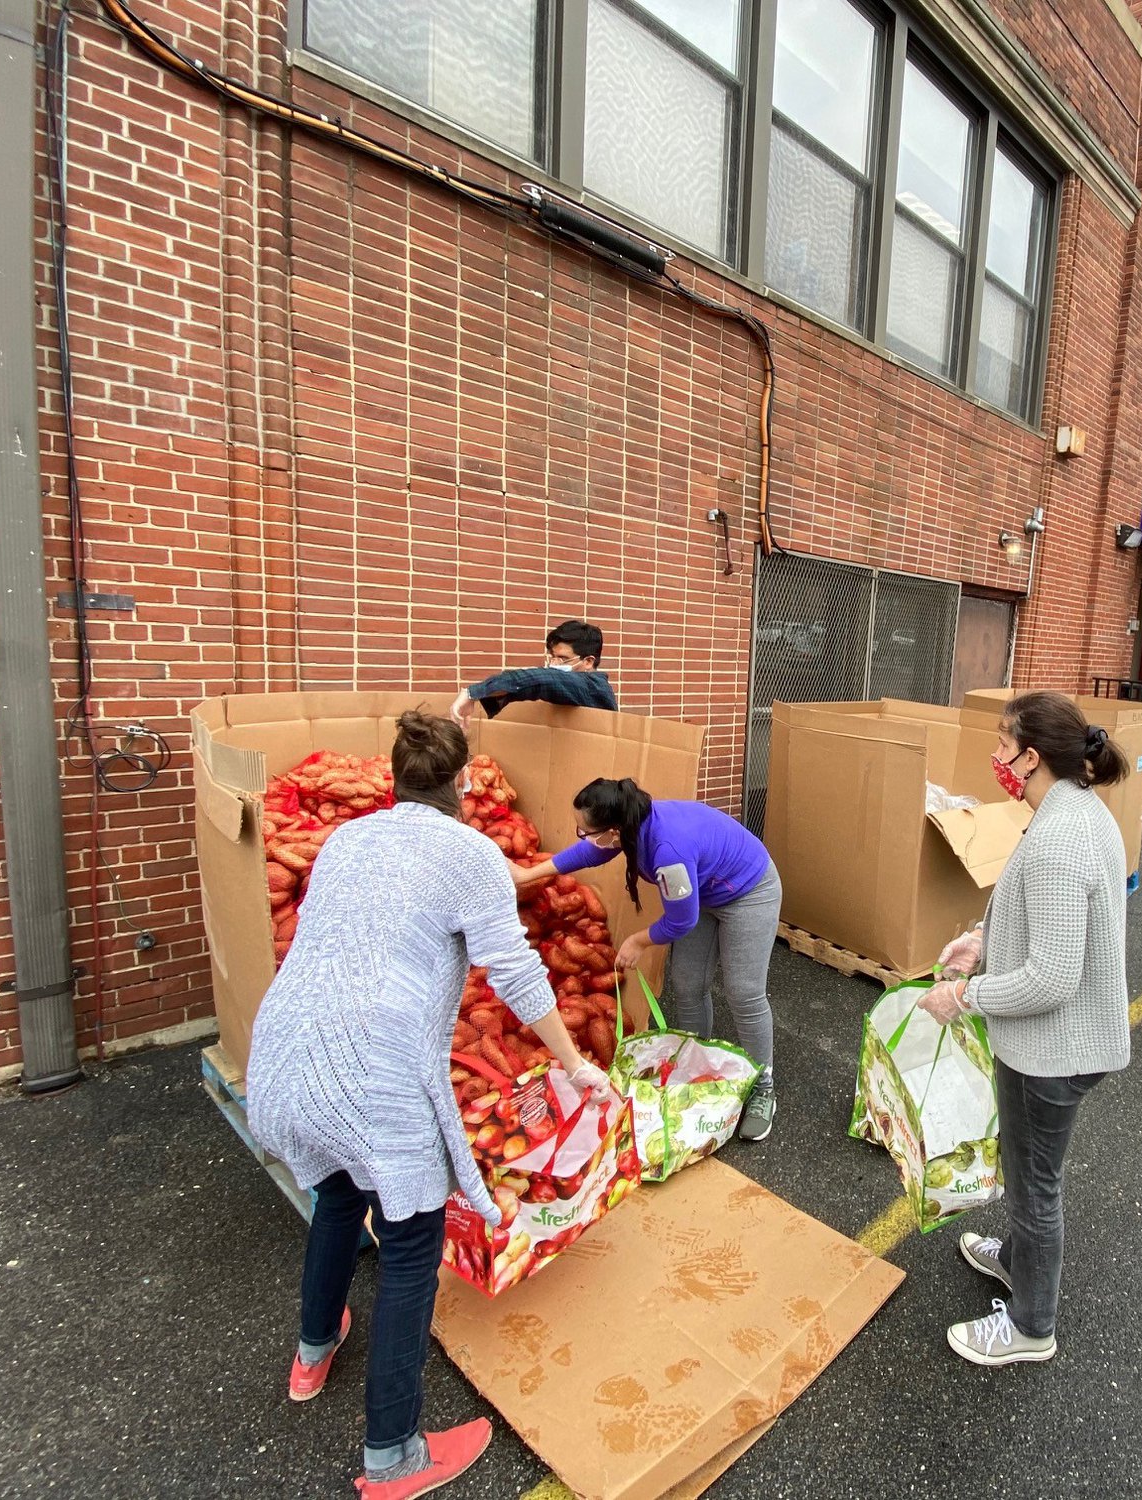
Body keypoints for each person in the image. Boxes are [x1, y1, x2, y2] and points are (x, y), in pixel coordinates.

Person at [247, 711, 613, 1500]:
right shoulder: (471, 852)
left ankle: (314, 1350)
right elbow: (513, 974)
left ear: (394, 775)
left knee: (339, 1195)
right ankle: (394, 1457)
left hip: (283, 1049)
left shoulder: (349, 839)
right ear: (464, 779)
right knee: (412, 1247)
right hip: (373, 1071)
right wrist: (577, 1064)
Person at [922, 691, 1131, 1367]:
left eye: (1002, 744)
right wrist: (982, 938)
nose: (995, 758)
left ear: (1031, 756)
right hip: (1050, 1043)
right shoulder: (1074, 809)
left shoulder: (1059, 839)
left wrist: (964, 996)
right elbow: (1045, 918)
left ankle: (1030, 1326)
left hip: (1054, 1051)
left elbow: (1051, 978)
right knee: (1026, 1171)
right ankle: (1015, 1259)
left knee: (1037, 1186)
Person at [510, 779, 782, 1141]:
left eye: (586, 831)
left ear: (614, 830)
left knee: (743, 993)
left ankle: (763, 1086)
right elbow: (591, 852)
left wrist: (640, 940)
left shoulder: (668, 849)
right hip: (704, 891)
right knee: (686, 983)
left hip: (749, 891)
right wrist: (529, 874)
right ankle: (694, 1061)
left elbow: (681, 919)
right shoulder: (631, 824)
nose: (582, 837)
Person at [450, 620, 617, 724]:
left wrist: (473, 693)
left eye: (562, 658)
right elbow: (527, 688)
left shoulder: (593, 687)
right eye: (553, 656)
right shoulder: (571, 689)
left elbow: (543, 681)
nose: (554, 663)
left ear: (588, 661)